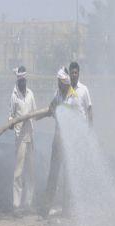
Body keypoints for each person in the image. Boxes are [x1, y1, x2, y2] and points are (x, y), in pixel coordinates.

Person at [41, 67, 78, 217]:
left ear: (64, 83)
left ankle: (67, 209)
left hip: (68, 142)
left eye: (59, 82)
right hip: (57, 141)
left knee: (68, 176)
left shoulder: (72, 97)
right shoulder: (58, 93)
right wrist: (51, 108)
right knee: (53, 174)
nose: (57, 84)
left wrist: (58, 112)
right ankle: (46, 207)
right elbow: (52, 105)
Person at [9, 66, 37, 211]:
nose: (23, 83)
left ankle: (28, 203)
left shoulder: (31, 94)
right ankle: (16, 204)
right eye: (21, 81)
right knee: (18, 172)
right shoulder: (14, 96)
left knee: (31, 171)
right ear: (18, 80)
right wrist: (11, 123)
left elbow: (35, 113)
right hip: (20, 137)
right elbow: (11, 115)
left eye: (25, 80)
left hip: (30, 136)